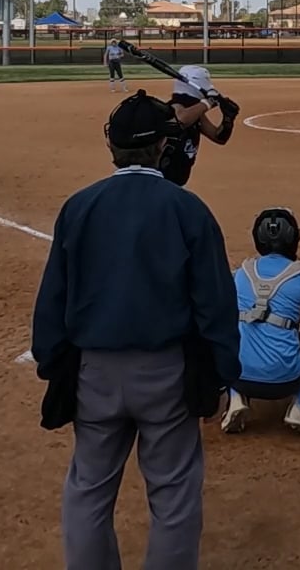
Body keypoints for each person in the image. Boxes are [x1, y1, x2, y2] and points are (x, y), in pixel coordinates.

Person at [31, 90, 243, 570]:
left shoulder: (79, 206)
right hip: (166, 374)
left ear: (112, 146)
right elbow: (215, 302)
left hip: (93, 373)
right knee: (174, 494)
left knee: (88, 489)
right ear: (164, 146)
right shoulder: (187, 209)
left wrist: (52, 362)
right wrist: (221, 375)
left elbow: (54, 297)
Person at [222, 208, 300, 437]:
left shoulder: (239, 275)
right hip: (285, 382)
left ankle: (235, 398)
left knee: (232, 336)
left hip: (237, 376)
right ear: (295, 238)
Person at [160, 65, 235, 187]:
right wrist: (209, 102)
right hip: (160, 184)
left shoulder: (195, 115)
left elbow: (219, 137)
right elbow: (180, 121)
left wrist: (228, 119)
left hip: (178, 184)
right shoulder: (169, 110)